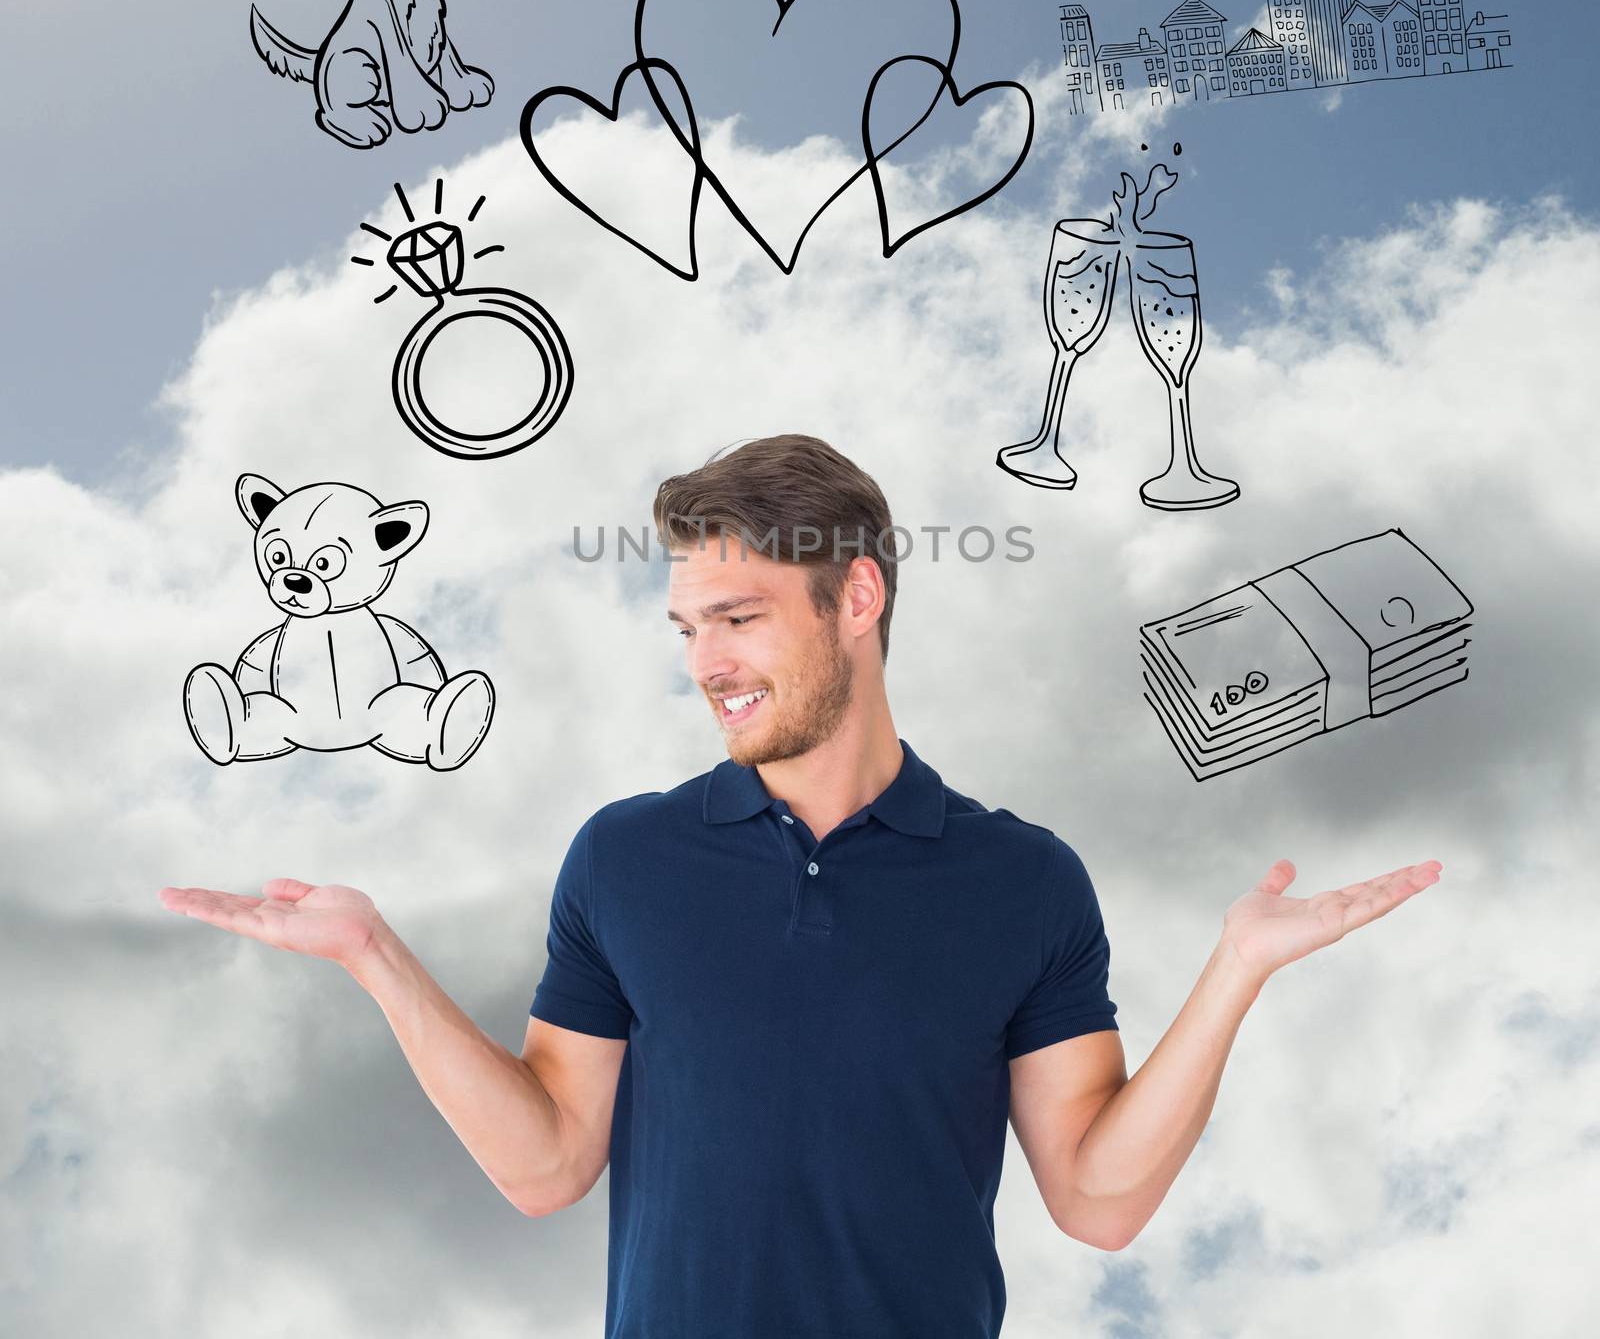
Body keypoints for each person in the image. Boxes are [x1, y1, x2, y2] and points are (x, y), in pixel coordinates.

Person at [159, 432, 1441, 1338]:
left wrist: (1233, 974)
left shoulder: (1024, 879)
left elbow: (1097, 1201)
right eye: (688, 629)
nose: (706, 662)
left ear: (857, 599)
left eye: (740, 616)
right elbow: (550, 1161)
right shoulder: (625, 857)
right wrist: (377, 956)